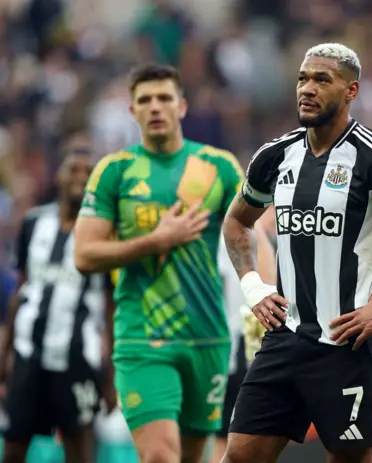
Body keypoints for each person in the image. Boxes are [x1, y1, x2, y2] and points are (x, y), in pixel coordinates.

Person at [221, 43, 372, 463]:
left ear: (351, 91)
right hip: (284, 337)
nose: (308, 88)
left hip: (346, 343)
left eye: (323, 80)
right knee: (240, 455)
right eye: (303, 78)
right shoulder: (275, 155)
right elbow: (236, 222)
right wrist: (253, 286)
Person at [73, 63, 245, 463]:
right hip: (142, 338)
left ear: (181, 106)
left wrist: (262, 295)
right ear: (132, 112)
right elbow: (84, 255)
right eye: (145, 100)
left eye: (164, 98)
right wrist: (157, 240)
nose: (155, 107)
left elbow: (253, 236)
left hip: (208, 337)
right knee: (159, 458)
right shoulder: (114, 172)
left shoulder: (220, 167)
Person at [0, 145, 115, 463]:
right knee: (13, 447)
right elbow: (20, 289)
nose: (79, 177)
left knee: (79, 450)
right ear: (59, 175)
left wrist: (111, 374)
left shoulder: (106, 234)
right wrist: (5, 354)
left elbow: (110, 306)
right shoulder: (34, 222)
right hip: (28, 353)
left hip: (78, 357)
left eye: (87, 172)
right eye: (73, 169)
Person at [209, 217, 276, 463]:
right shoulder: (240, 229)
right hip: (232, 350)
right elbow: (270, 283)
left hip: (217, 348)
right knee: (230, 444)